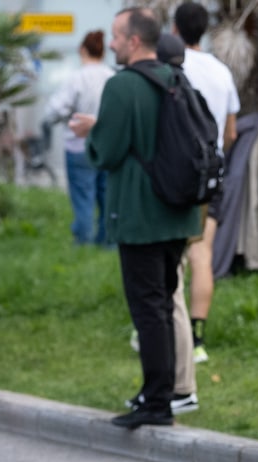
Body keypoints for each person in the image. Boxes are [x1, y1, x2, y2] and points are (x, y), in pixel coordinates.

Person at [69, 7, 200, 428]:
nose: (110, 44)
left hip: (140, 215)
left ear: (134, 41)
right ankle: (160, 393)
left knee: (148, 311)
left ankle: (156, 401)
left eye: (116, 36)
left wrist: (93, 132)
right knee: (164, 304)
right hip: (178, 212)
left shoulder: (122, 85)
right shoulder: (175, 78)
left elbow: (106, 153)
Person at [174, 0, 240, 364]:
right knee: (202, 254)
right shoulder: (221, 72)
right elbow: (230, 132)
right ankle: (197, 339)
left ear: (174, 29)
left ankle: (167, 330)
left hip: (172, 175)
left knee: (169, 255)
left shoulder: (170, 67)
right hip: (210, 176)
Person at [43, 30, 115, 246]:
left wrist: (66, 116)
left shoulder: (76, 78)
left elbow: (54, 110)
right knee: (107, 197)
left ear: (82, 50)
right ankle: (107, 242)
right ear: (103, 52)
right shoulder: (112, 76)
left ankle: (84, 242)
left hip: (79, 147)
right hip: (107, 146)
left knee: (83, 198)